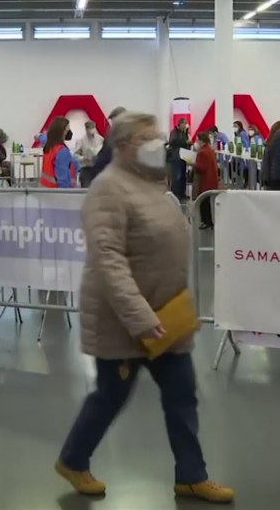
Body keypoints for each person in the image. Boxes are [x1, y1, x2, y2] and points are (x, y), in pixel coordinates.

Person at [55, 111, 234, 504]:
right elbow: (109, 261)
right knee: (111, 395)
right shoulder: (107, 190)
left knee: (182, 394)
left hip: (166, 317)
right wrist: (140, 316)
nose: (158, 143)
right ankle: (73, 459)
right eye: (147, 137)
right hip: (123, 321)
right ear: (122, 147)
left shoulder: (153, 183)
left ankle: (191, 476)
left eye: (157, 135)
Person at [40, 117, 79, 188]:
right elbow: (62, 180)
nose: (69, 132)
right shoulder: (62, 152)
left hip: (46, 190)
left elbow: (43, 137)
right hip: (60, 192)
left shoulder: (49, 146)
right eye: (68, 129)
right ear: (63, 131)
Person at [192, 130, 219, 230]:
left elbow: (201, 168)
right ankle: (209, 222)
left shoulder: (202, 152)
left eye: (197, 140)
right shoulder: (210, 149)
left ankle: (206, 221)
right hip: (212, 179)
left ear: (201, 140)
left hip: (205, 181)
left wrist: (193, 164)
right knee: (208, 202)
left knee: (203, 202)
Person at [91, 106, 126, 177]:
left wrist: (95, 159)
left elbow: (104, 156)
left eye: (113, 121)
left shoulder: (112, 135)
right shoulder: (131, 135)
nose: (112, 124)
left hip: (111, 174)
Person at [75, 120, 104, 188]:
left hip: (97, 168)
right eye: (91, 128)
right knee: (85, 187)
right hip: (86, 169)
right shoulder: (81, 140)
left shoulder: (100, 139)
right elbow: (75, 155)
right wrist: (83, 158)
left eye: (94, 127)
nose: (93, 130)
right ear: (86, 129)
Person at [167, 118, 191, 201]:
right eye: (184, 123)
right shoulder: (174, 132)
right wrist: (185, 143)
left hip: (183, 156)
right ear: (180, 124)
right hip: (177, 156)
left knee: (183, 175)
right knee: (177, 175)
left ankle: (182, 193)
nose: (185, 125)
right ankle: (176, 193)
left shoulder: (183, 133)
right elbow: (172, 142)